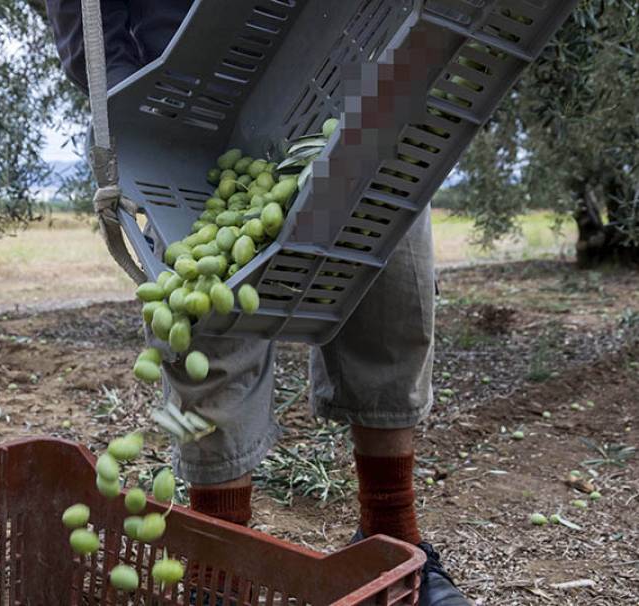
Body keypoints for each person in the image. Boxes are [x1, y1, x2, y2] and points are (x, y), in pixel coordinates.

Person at [45, 2, 471, 604]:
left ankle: (392, 539)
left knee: (393, 305)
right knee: (208, 342)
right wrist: (120, 90)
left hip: (347, 76)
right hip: (194, 104)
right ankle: (218, 569)